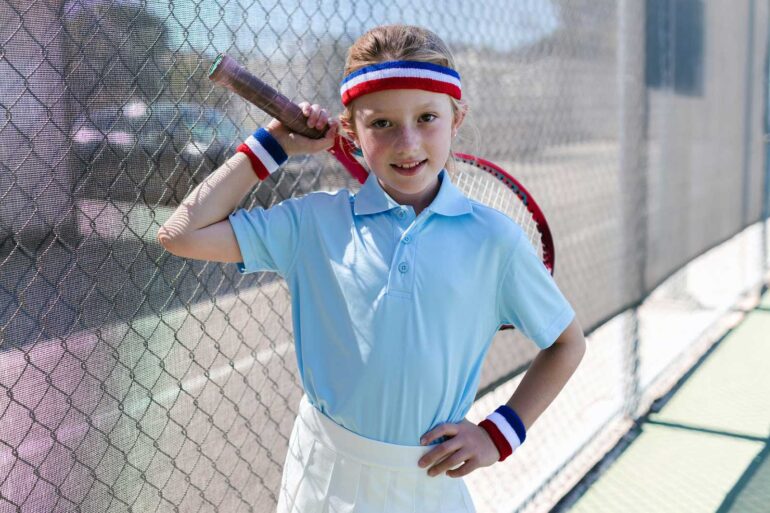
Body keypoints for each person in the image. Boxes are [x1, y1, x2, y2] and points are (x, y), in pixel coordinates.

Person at [158, 24, 586, 513]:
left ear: (457, 117)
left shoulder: (495, 240)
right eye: (380, 123)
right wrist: (275, 144)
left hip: (427, 482)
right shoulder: (312, 222)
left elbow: (566, 343)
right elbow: (181, 233)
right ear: (349, 132)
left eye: (427, 117)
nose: (407, 143)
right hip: (320, 477)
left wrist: (498, 433)